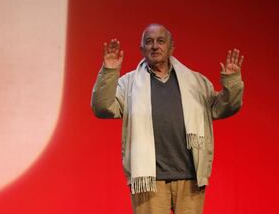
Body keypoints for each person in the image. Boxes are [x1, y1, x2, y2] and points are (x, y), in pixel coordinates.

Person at [91, 23, 244, 214]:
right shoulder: (129, 84)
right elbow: (102, 108)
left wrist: (232, 83)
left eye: (161, 41)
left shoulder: (196, 82)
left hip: (190, 178)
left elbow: (223, 108)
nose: (155, 46)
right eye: (149, 42)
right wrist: (109, 72)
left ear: (171, 47)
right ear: (142, 49)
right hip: (149, 181)